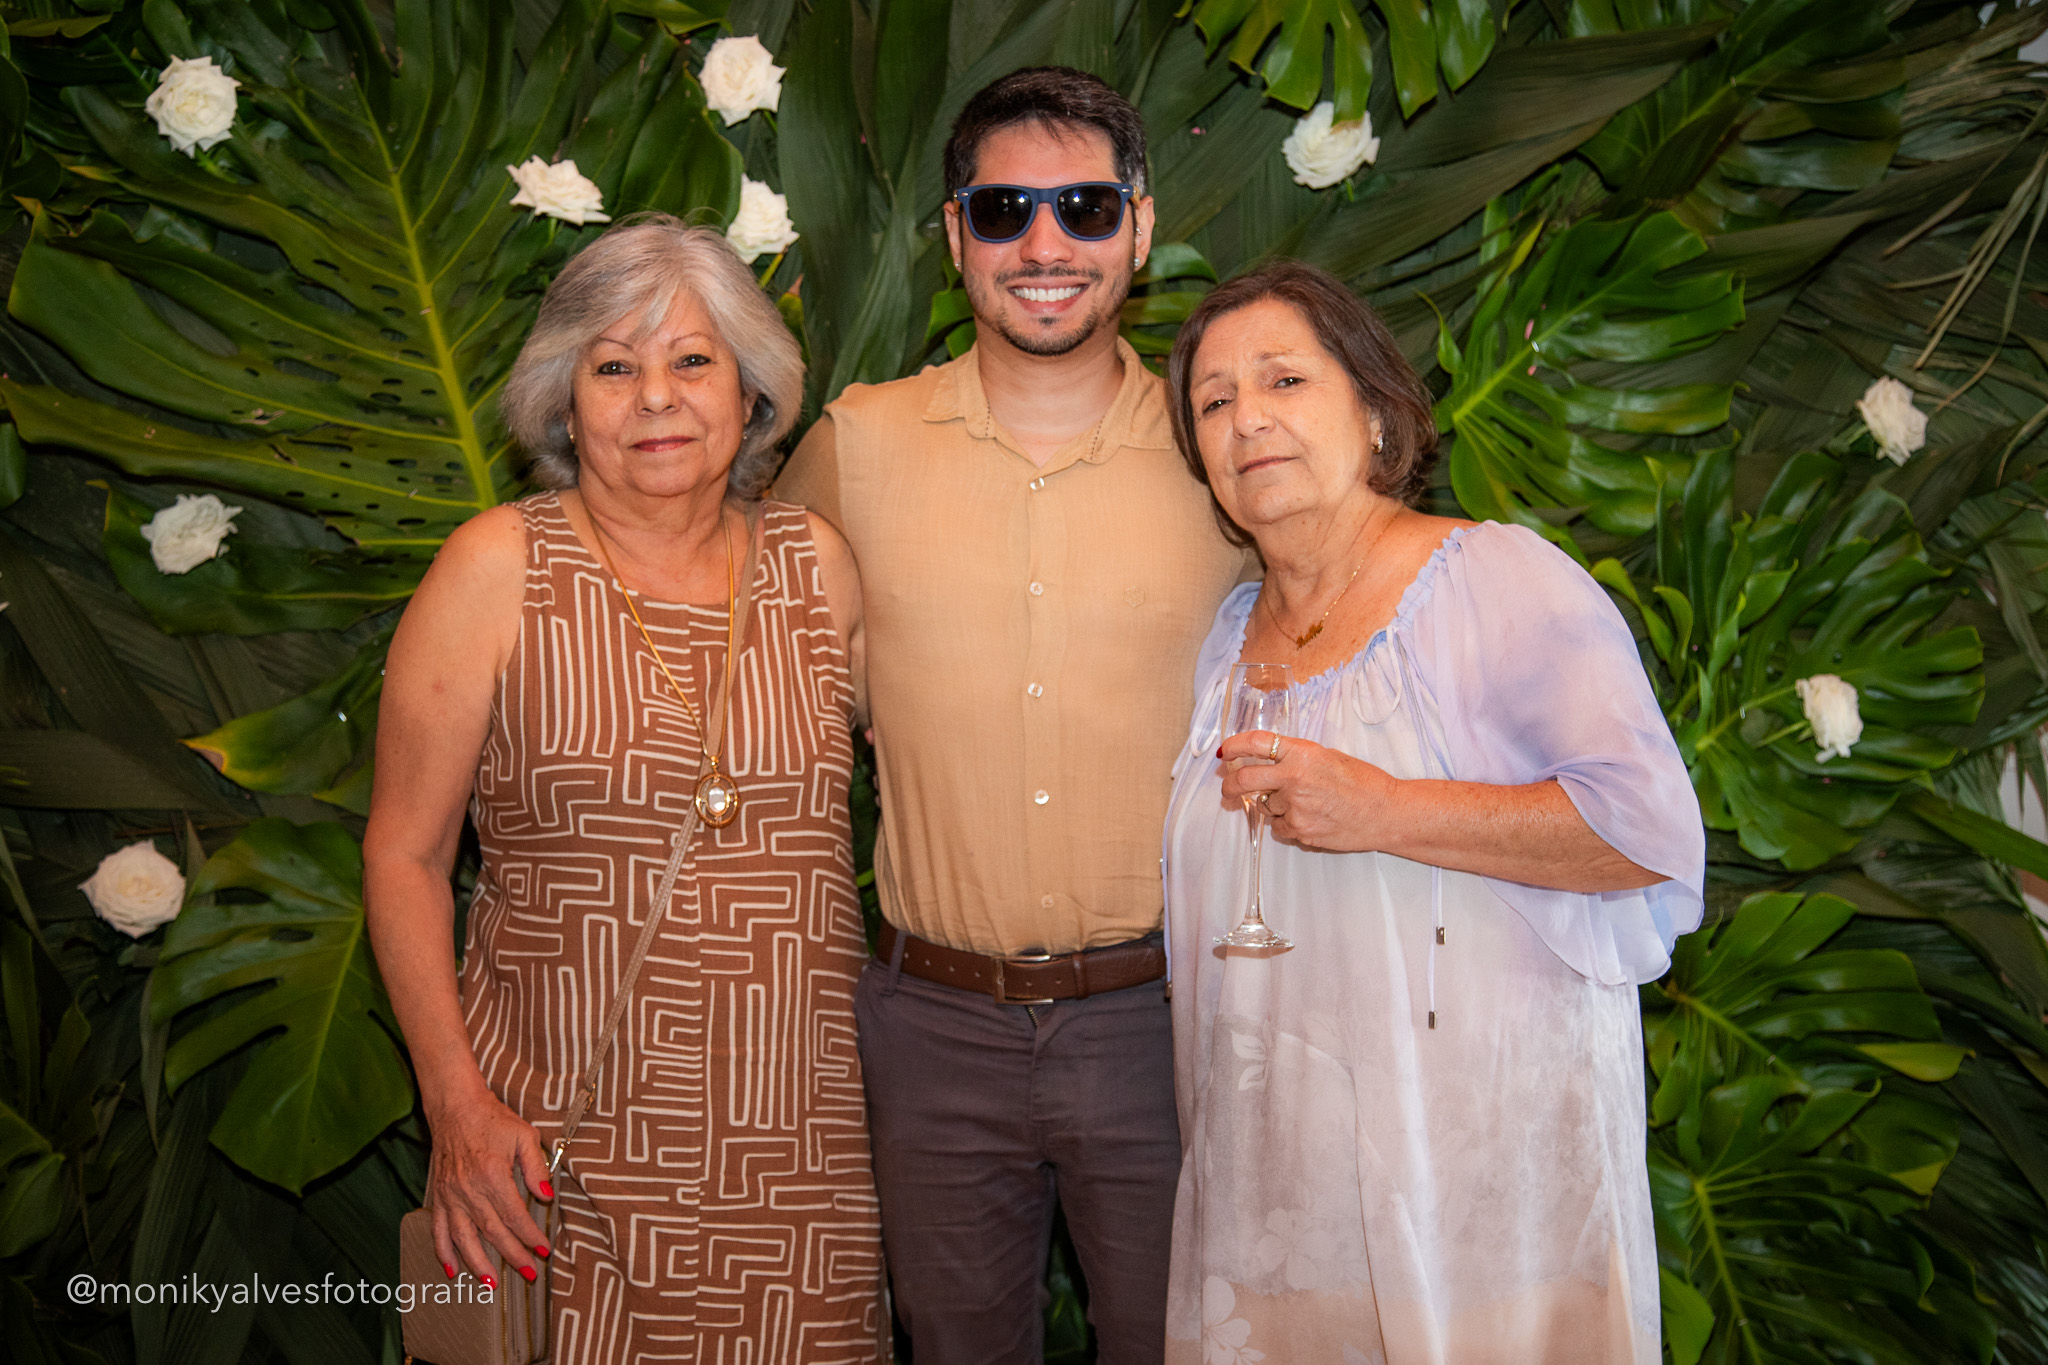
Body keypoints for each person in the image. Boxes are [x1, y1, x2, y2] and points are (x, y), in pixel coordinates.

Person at [774, 67, 1249, 1364]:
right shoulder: (858, 445)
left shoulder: (1225, 454)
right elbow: (756, 662)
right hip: (930, 1027)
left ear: (1139, 228)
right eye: (1003, 211)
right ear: (954, 235)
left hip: (1163, 1018)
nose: (1044, 245)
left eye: (1084, 207)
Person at [1158, 261, 1704, 1363]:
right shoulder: (1226, 644)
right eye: (1213, 402)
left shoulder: (1492, 581)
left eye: (1283, 380)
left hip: (1481, 1209)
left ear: (1373, 410)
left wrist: (1386, 807)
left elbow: (1644, 834)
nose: (1247, 418)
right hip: (1279, 1205)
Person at [363, 218, 886, 1363]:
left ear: (750, 391)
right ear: (564, 402)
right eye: (613, 367)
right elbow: (404, 856)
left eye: (692, 360)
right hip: (556, 1147)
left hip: (797, 1165)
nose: (656, 397)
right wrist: (454, 1105)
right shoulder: (497, 568)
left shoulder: (817, 569)